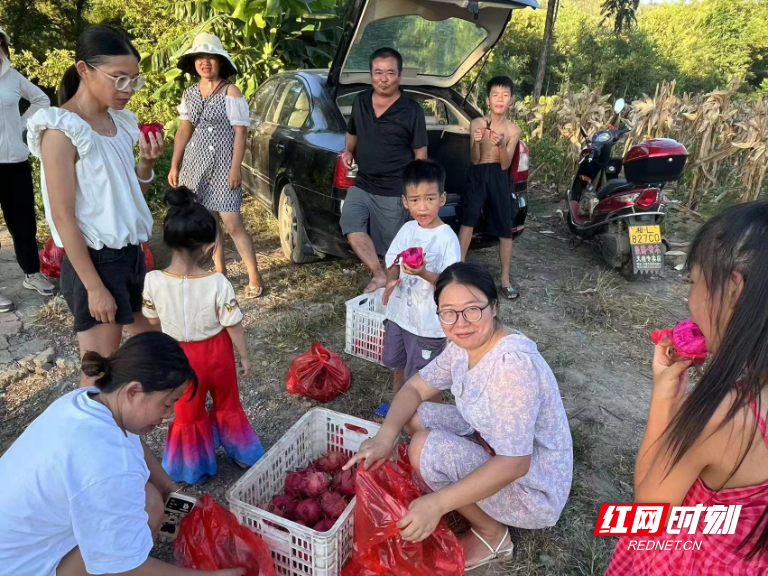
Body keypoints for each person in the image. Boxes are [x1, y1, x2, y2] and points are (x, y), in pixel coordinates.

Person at [345, 262, 573, 571]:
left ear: (494, 307)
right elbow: (414, 388)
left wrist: (436, 504)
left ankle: (493, 534)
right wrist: (385, 436)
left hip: (532, 487)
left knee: (425, 449)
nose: (460, 323)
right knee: (416, 416)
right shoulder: (462, 346)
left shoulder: (512, 366)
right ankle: (457, 493)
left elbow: (516, 462)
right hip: (492, 440)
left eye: (472, 310)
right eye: (448, 312)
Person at [606, 200, 768, 574]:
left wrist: (665, 395)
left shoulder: (724, 417)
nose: (689, 297)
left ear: (734, 289)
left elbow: (651, 508)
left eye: (694, 282)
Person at [0, 331, 245, 576]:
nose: (170, 414)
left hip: (23, 540)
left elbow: (132, 441)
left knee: (149, 501)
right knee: (136, 525)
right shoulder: (108, 462)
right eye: (168, 402)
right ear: (133, 391)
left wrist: (174, 490)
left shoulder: (84, 401)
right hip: (20, 568)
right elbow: (123, 568)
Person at [26, 25, 162, 360]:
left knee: (155, 350)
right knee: (98, 374)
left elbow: (131, 196)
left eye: (134, 79)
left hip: (131, 256)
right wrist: (94, 287)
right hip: (97, 263)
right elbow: (62, 216)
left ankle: (144, 411)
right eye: (118, 78)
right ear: (84, 70)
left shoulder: (121, 122)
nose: (128, 88)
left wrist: (145, 164)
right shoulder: (61, 129)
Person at [142, 187, 264, 485]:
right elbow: (232, 323)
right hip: (218, 353)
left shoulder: (153, 281)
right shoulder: (217, 282)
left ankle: (192, 466)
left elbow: (152, 320)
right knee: (227, 402)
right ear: (209, 246)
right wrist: (244, 356)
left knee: (187, 412)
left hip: (180, 359)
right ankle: (241, 453)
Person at [169, 33, 264, 299]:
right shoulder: (189, 94)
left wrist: (235, 169)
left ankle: (254, 276)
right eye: (200, 58)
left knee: (232, 222)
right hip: (196, 164)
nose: (205, 62)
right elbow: (183, 131)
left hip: (224, 163)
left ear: (220, 62)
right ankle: (219, 271)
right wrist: (175, 164)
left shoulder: (231, 92)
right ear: (194, 63)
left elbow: (240, 133)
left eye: (210, 57)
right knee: (208, 223)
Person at [340, 47, 428, 293]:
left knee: (393, 245)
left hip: (393, 189)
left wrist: (415, 194)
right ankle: (378, 274)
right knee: (350, 223)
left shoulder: (412, 110)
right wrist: (348, 151)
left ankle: (395, 287)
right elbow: (352, 133)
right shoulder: (360, 102)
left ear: (399, 76)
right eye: (378, 72)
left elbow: (421, 156)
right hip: (363, 183)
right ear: (371, 74)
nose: (384, 78)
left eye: (390, 73)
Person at [381, 159, 460, 398]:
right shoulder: (407, 230)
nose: (422, 207)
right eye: (415, 200)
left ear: (442, 199)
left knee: (426, 379)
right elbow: (392, 261)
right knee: (399, 369)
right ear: (405, 202)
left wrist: (423, 272)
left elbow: (451, 283)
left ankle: (425, 424)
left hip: (427, 326)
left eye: (430, 198)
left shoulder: (447, 238)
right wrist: (391, 279)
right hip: (400, 318)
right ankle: (397, 412)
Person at [0, 25, 55, 310]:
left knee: (23, 223)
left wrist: (22, 126)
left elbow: (41, 100)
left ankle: (32, 274)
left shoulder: (12, 77)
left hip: (15, 162)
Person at [458, 76, 522, 300]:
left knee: (505, 228)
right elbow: (474, 160)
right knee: (468, 220)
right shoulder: (477, 124)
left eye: (505, 95)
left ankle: (505, 279)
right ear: (488, 99)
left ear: (510, 100)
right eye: (495, 95)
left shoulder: (513, 129)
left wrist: (502, 145)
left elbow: (505, 164)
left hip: (499, 176)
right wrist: (476, 142)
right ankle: (457, 269)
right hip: (478, 174)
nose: (500, 99)